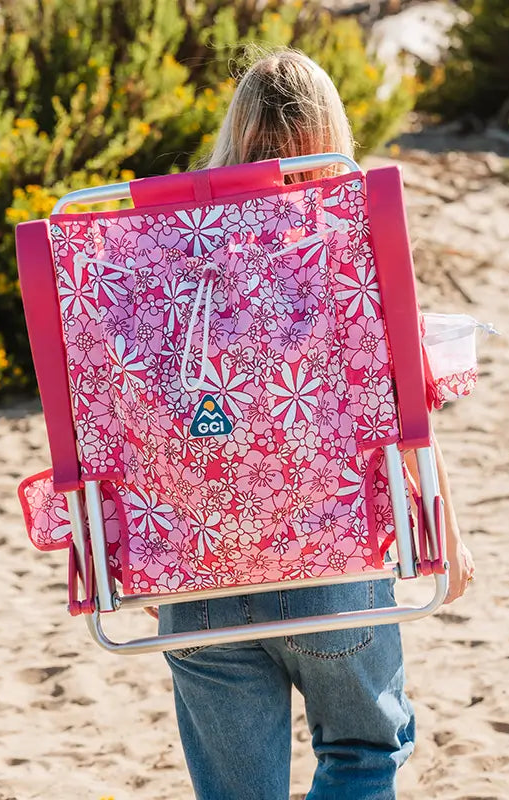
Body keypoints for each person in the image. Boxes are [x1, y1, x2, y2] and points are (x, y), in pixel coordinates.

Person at [157, 49, 475, 800]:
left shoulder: (168, 246)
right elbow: (407, 409)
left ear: (236, 132)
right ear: (332, 128)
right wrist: (447, 533)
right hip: (330, 557)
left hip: (198, 570)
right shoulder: (353, 236)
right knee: (364, 754)